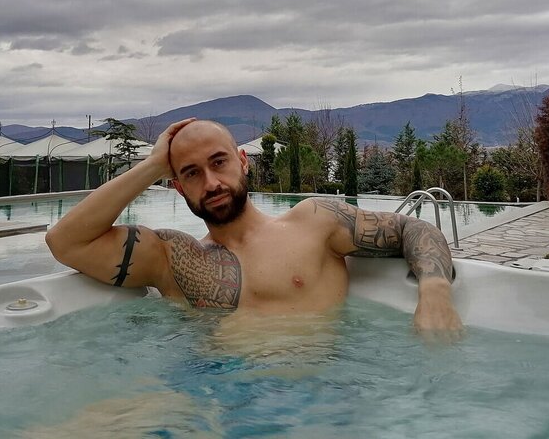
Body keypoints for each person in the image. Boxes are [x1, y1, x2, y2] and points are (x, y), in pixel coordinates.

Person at [46, 118, 462, 334]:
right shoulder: (173, 258)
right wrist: (154, 164)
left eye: (219, 162)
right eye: (191, 173)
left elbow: (414, 230)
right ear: (178, 187)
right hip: (209, 401)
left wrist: (435, 290)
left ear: (242, 161)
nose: (211, 183)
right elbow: (66, 242)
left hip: (313, 400)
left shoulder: (314, 222)